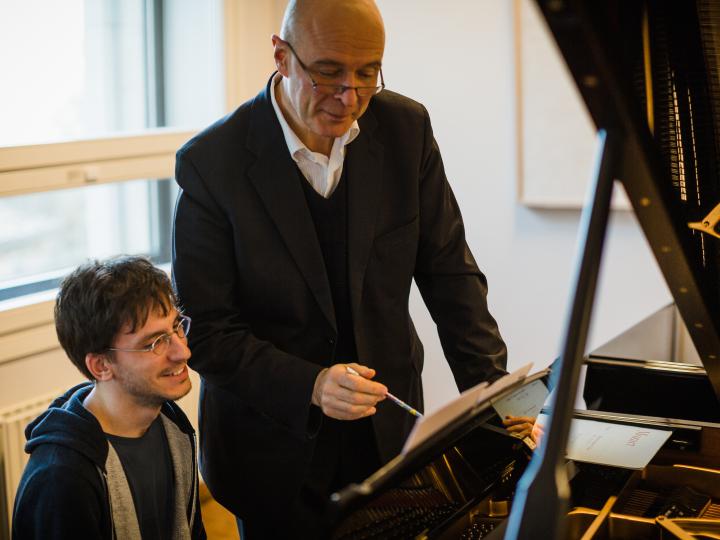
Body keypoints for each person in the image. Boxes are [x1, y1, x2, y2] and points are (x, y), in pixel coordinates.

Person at [172, 0, 508, 537]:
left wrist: (496, 399)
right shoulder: (211, 163)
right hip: (271, 447)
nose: (349, 96)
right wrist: (311, 384)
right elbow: (207, 330)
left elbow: (451, 276)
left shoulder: (406, 128)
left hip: (390, 434)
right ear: (282, 56)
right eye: (328, 71)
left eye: (367, 72)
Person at [12, 257, 205, 540]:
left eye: (177, 327)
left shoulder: (174, 426)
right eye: (155, 343)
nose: (182, 352)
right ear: (101, 366)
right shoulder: (61, 479)